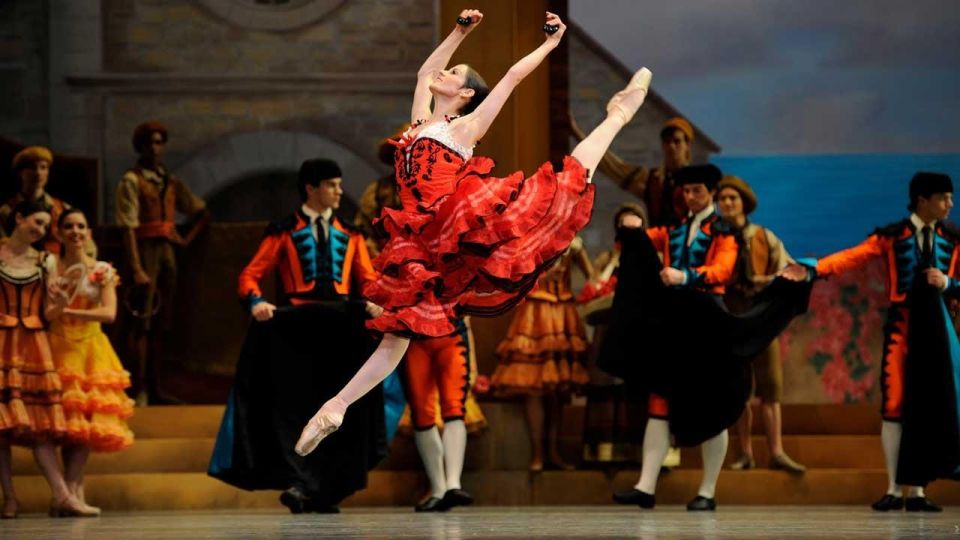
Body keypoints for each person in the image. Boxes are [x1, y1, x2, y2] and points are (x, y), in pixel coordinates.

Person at [297, 9, 653, 457]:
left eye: (454, 73)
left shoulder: (466, 128)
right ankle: (336, 407)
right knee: (398, 332)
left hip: (455, 227)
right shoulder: (418, 124)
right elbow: (425, 71)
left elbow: (512, 78)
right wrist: (459, 31)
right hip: (420, 240)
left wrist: (549, 43)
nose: (442, 73)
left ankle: (618, 113)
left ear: (465, 93)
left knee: (567, 181)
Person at [606, 165, 811, 511]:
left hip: (708, 322)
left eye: (697, 190)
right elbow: (648, 239)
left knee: (712, 407)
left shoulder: (725, 232)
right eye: (686, 191)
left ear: (711, 192)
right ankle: (645, 486)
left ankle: (707, 490)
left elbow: (722, 270)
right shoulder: (675, 229)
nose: (690, 197)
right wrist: (633, 226)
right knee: (660, 402)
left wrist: (685, 276)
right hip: (675, 323)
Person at [209, 159, 386, 514]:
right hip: (296, 333)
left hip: (340, 331)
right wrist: (257, 302)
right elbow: (249, 277)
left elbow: (368, 280)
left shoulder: (351, 233)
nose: (339, 191)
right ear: (311, 188)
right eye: (332, 185)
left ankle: (326, 488)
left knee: (339, 408)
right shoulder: (283, 230)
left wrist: (376, 301)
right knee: (293, 409)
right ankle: (299, 481)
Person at [781, 172, 958, 512]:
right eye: (943, 197)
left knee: (928, 405)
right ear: (922, 200)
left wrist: (948, 283)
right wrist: (814, 268)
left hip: (940, 330)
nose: (950, 204)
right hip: (903, 326)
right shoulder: (892, 237)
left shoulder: (953, 239)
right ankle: (893, 487)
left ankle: (917, 490)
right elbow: (853, 257)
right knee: (894, 405)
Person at [0, 200, 97, 518]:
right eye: (37, 222)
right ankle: (9, 498)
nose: (41, 230)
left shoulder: (45, 261)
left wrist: (62, 302)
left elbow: (49, 312)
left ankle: (62, 494)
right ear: (19, 218)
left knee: (39, 424)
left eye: (45, 225)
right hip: (1, 340)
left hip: (32, 344)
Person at [115, 121, 210, 405]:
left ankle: (157, 387)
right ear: (141, 147)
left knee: (162, 322)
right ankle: (140, 387)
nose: (155, 149)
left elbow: (200, 211)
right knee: (142, 321)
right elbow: (128, 227)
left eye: (159, 143)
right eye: (149, 143)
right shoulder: (132, 180)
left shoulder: (169, 180)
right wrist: (136, 268)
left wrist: (185, 239)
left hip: (167, 254)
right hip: (145, 252)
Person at [47, 208, 135, 516]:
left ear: (88, 233)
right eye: (69, 226)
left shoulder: (101, 269)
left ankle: (72, 489)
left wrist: (70, 311)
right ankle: (68, 493)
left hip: (90, 347)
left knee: (85, 423)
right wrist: (59, 311)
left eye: (80, 226)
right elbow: (46, 309)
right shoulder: (50, 265)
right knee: (63, 424)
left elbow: (109, 313)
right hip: (57, 345)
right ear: (59, 232)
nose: (75, 231)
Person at [716, 176, 805, 474]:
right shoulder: (716, 238)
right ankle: (745, 453)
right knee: (738, 390)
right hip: (732, 318)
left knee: (771, 387)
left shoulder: (764, 237)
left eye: (733, 198)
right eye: (723, 198)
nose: (727, 203)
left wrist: (766, 281)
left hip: (761, 319)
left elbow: (787, 269)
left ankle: (776, 452)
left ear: (744, 203)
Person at [491, 236, 594, 472]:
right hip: (535, 313)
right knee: (534, 387)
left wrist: (608, 270)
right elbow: (513, 275)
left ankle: (554, 452)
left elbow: (593, 277)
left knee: (558, 389)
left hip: (562, 313)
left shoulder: (574, 243)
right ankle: (537, 453)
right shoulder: (531, 238)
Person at [0, 146, 70, 254]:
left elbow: (87, 246)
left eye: (43, 167)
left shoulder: (61, 209)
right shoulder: (7, 210)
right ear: (21, 172)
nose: (38, 173)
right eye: (32, 168)